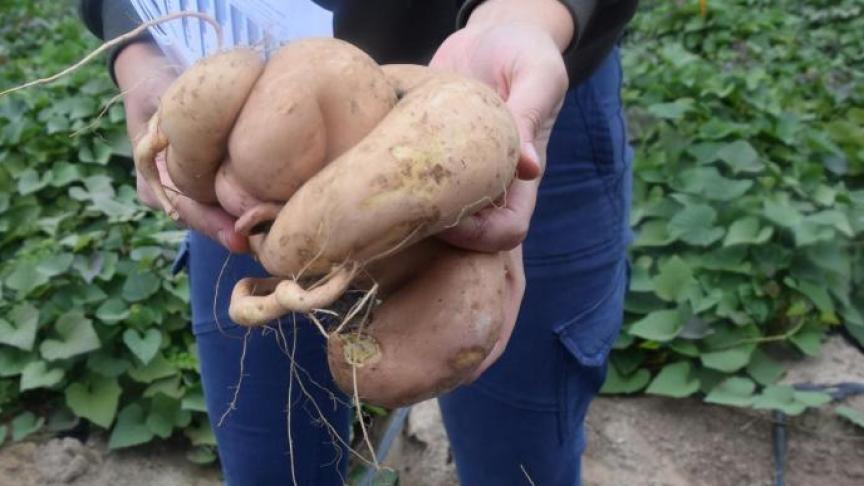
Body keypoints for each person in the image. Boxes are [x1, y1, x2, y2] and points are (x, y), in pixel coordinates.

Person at [79, 1, 638, 484]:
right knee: (268, 460)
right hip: (240, 120)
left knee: (518, 454)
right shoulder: (252, 164)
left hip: (508, 85)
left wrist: (526, 13)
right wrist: (139, 39)